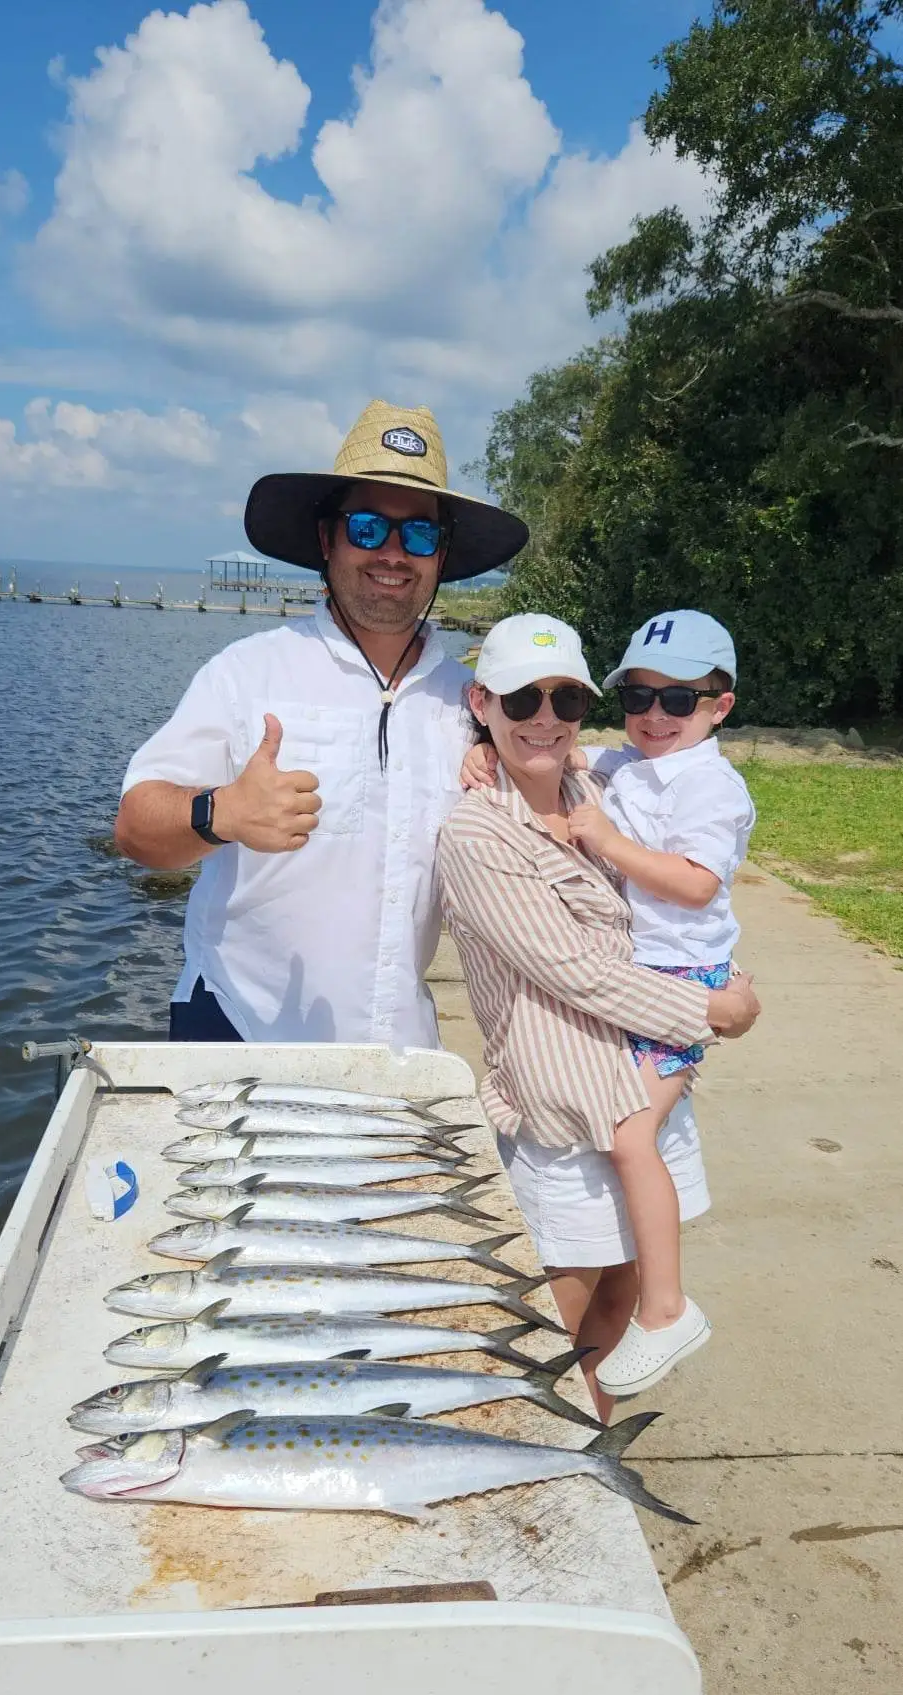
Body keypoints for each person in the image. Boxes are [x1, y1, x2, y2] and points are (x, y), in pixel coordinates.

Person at [114, 401, 527, 1044]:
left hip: (398, 1041)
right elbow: (136, 828)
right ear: (328, 539)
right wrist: (221, 812)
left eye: (420, 534)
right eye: (368, 527)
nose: (393, 552)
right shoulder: (246, 672)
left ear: (442, 554)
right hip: (239, 1025)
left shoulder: (471, 702)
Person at [438, 613, 760, 1418]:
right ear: (481, 701)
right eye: (521, 700)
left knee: (620, 1296)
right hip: (571, 1102)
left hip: (642, 1067)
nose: (545, 718)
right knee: (549, 1328)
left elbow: (685, 885)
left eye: (566, 699)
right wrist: (714, 1010)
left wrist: (709, 993)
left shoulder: (593, 788)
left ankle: (592, 1443)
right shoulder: (477, 833)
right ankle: (538, 1450)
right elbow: (572, 971)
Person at [567, 611, 756, 1396]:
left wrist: (607, 843)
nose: (653, 715)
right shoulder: (632, 761)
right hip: (641, 973)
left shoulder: (710, 784)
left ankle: (665, 1308)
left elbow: (696, 883)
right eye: (637, 696)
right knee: (627, 1129)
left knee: (629, 1134)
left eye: (677, 700)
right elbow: (567, 752)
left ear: (719, 706)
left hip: (681, 981)